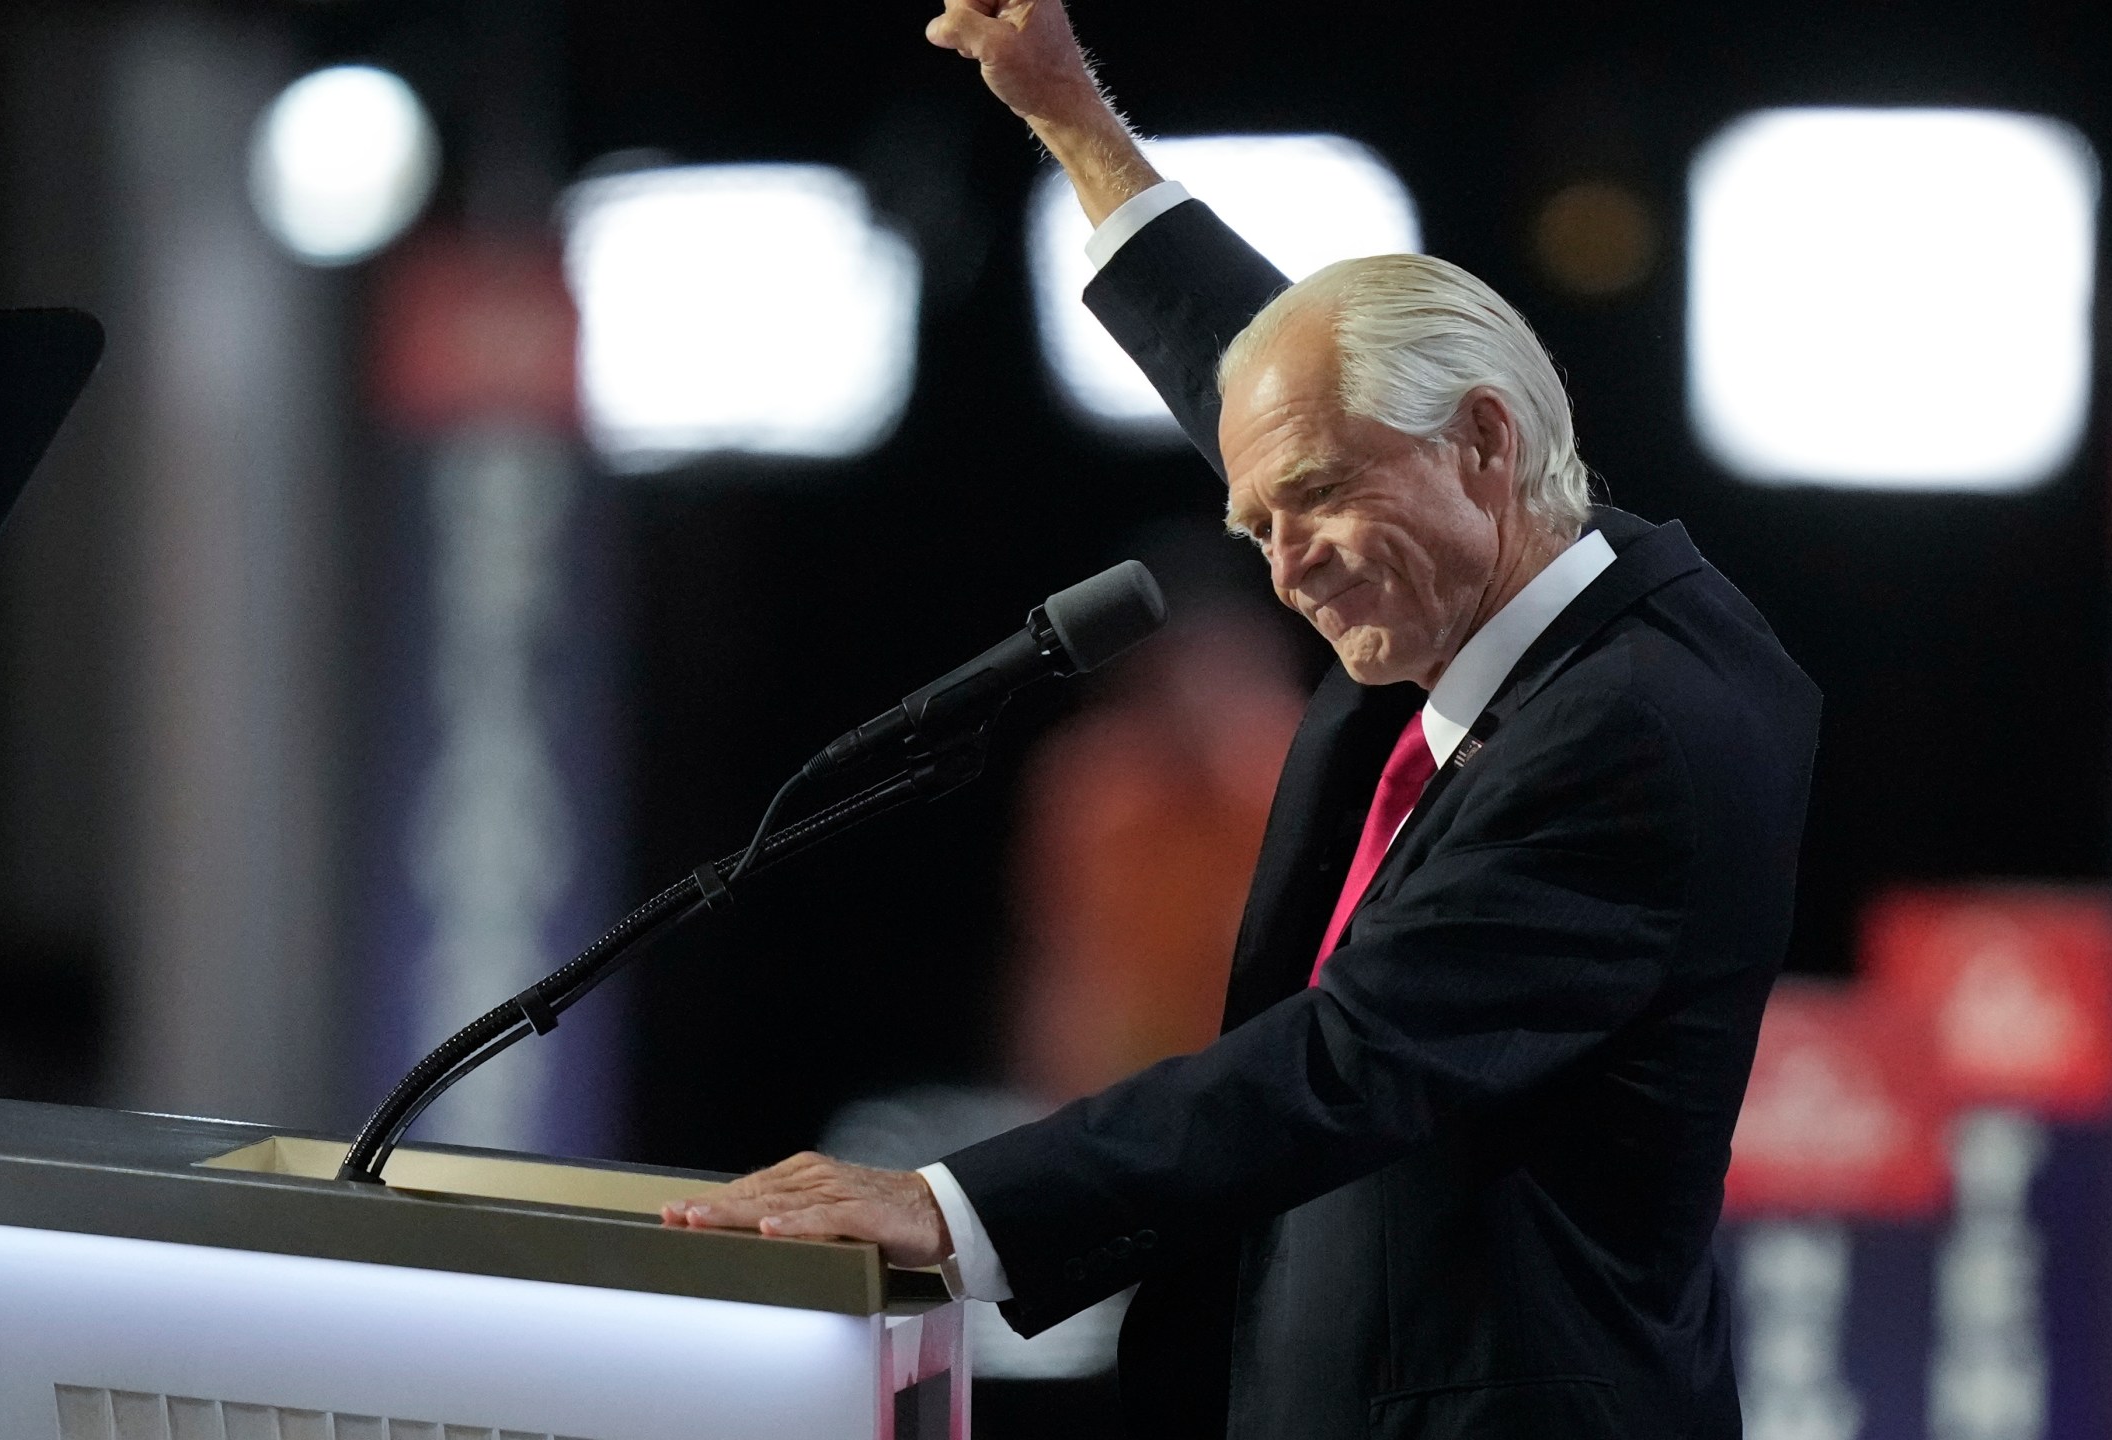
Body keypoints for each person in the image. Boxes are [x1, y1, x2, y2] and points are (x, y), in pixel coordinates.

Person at [663, 3, 1822, 1435]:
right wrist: (1074, 124)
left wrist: (946, 1205)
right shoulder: (1515, 573)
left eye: (1317, 502)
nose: (1285, 565)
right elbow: (1265, 373)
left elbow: (1344, 1065)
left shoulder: (1636, 729)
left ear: (1483, 439)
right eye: (1256, 521)